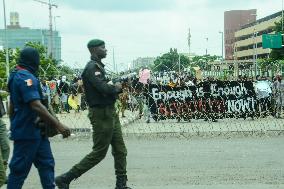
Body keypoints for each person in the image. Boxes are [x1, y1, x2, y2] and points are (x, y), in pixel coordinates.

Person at [55, 39, 132, 189]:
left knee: (120, 150)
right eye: (103, 48)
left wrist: (115, 85)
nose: (106, 50)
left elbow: (104, 86)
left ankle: (121, 184)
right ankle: (66, 178)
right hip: (101, 114)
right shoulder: (92, 68)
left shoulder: (98, 67)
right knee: (99, 153)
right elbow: (103, 88)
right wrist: (116, 87)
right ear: (94, 50)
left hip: (110, 112)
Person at [7, 47, 71, 189]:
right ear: (33, 61)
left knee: (47, 164)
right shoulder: (25, 77)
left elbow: (11, 104)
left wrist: (13, 124)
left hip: (38, 132)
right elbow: (35, 105)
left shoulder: (16, 75)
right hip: (27, 133)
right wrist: (58, 125)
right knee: (19, 171)